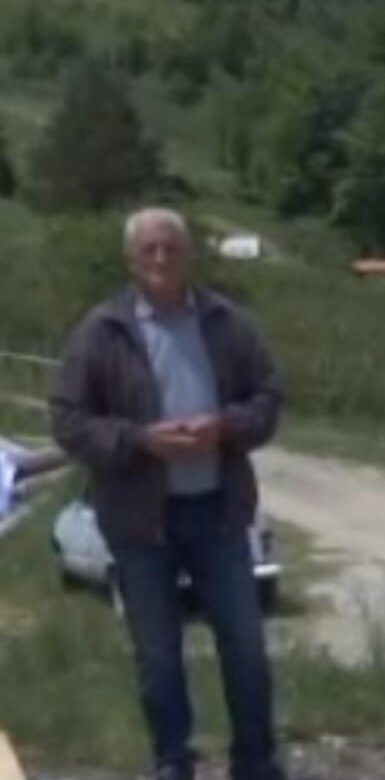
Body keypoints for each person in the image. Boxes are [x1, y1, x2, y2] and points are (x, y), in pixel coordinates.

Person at [50, 207, 287, 780]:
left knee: (245, 646)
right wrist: (140, 440)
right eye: (149, 249)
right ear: (131, 259)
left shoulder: (227, 322)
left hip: (217, 512)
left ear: (189, 255)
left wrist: (225, 427)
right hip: (139, 521)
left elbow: (268, 397)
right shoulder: (101, 331)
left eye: (171, 248)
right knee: (157, 654)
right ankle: (173, 760)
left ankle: (255, 761)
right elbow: (68, 421)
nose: (161, 258)